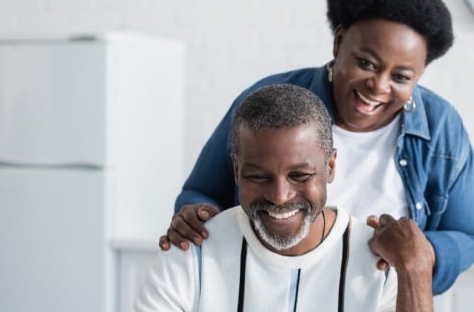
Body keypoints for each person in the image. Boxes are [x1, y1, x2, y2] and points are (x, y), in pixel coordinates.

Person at [160, 0, 474, 294]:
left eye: (401, 77)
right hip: (264, 292)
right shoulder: (270, 101)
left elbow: (470, 235)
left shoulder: (442, 126)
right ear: (339, 41)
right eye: (367, 63)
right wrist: (199, 219)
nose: (378, 86)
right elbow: (201, 193)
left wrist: (419, 252)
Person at [136, 84, 433, 311]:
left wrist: (416, 271)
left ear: (330, 166)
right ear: (236, 170)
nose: (279, 197)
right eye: (259, 176)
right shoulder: (192, 252)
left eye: (300, 176)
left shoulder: (380, 261)